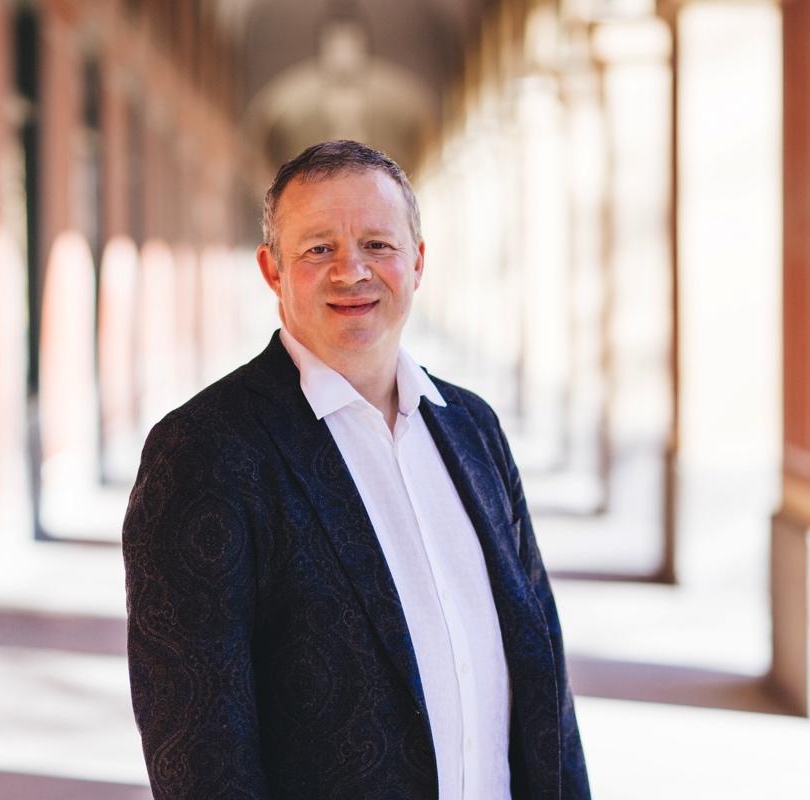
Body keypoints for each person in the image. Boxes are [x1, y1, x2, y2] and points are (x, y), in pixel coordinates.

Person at [123, 140, 591, 799]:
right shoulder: (205, 451)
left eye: (377, 244)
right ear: (272, 270)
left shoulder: (473, 427)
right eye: (319, 249)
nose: (352, 271)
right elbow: (199, 755)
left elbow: (545, 678)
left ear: (417, 261)